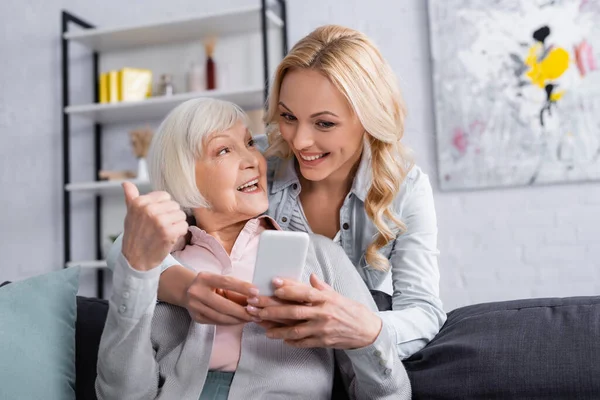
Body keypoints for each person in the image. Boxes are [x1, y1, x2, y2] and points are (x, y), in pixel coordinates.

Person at [109, 24, 445, 360]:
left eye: (324, 123)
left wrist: (363, 330)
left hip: (355, 360)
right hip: (272, 363)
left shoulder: (405, 189)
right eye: (288, 116)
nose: (299, 141)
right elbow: (129, 244)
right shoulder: (258, 161)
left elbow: (424, 310)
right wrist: (184, 287)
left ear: (370, 118)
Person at [96, 98, 411, 399]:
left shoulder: (320, 256)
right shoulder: (160, 271)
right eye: (223, 150)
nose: (252, 160)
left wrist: (368, 338)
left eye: (249, 143)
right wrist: (136, 276)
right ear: (184, 173)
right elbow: (121, 394)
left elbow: (391, 395)